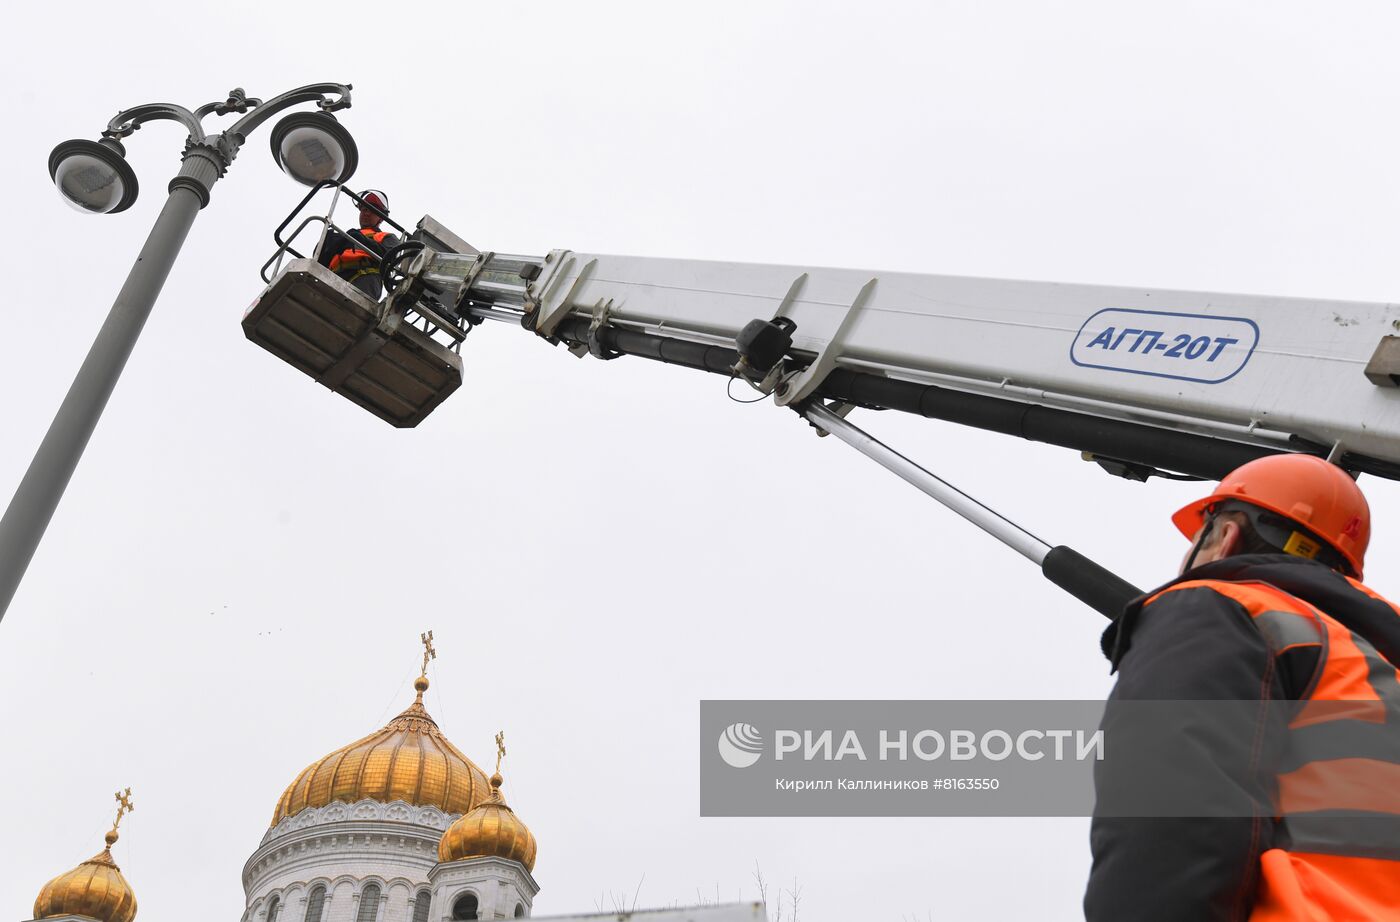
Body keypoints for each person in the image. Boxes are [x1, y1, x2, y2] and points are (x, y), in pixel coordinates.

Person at [1085, 453, 1400, 921]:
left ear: (1225, 537)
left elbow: (1174, 820)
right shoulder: (1373, 668)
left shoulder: (1222, 608)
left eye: (1196, 538)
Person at [317, 190, 399, 299]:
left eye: (371, 210)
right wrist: (329, 245)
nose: (366, 213)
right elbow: (319, 261)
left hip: (363, 280)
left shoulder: (386, 237)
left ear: (380, 218)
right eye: (364, 209)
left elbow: (391, 258)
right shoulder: (344, 237)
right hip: (332, 279)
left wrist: (362, 240)